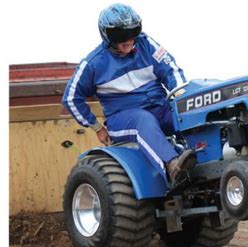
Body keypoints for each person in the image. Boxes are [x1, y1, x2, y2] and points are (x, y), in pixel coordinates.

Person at [62, 3, 195, 186]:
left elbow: (171, 69)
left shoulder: (146, 44)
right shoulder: (93, 64)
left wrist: (180, 96)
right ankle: (173, 166)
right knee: (143, 119)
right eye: (121, 35)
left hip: (159, 108)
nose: (129, 39)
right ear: (107, 35)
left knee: (187, 111)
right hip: (122, 119)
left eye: (134, 31)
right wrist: (97, 127)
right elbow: (70, 98)